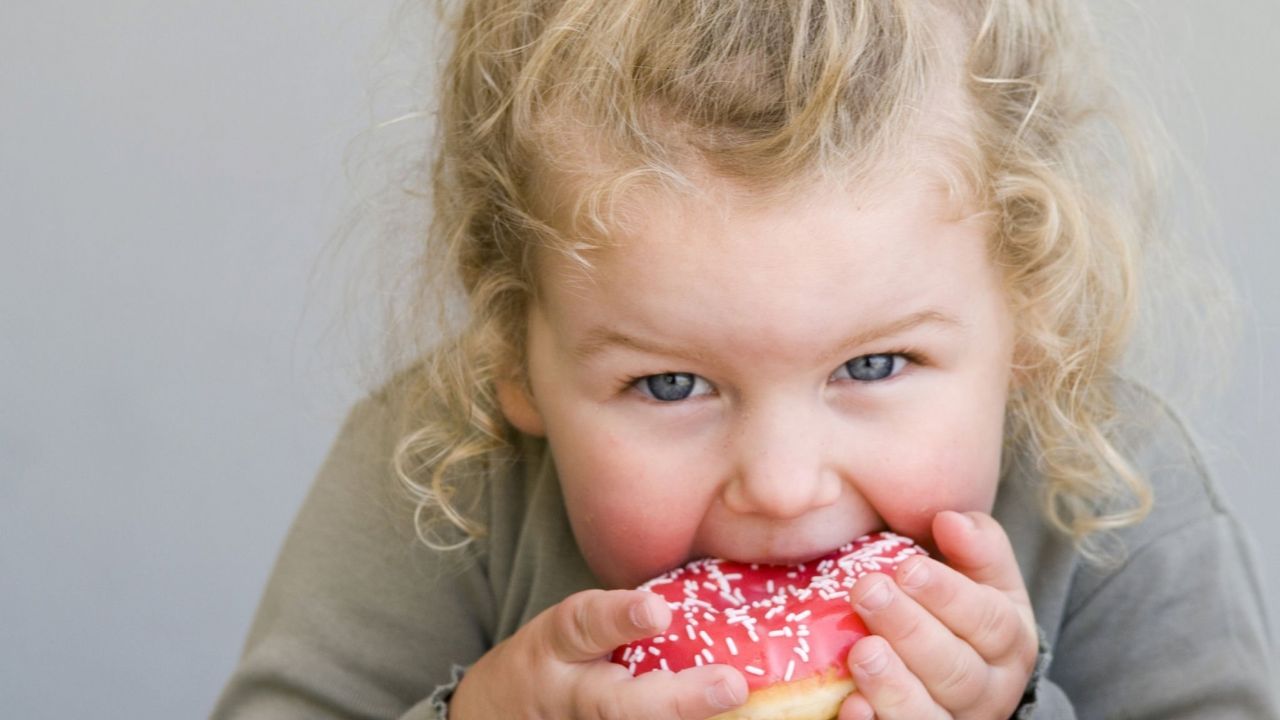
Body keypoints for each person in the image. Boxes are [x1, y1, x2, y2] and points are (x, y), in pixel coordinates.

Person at [212, 1, 1278, 718]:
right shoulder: (440, 466)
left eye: (872, 367)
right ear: (515, 357)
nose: (778, 486)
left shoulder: (1106, 489)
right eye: (670, 385)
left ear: (1029, 317)